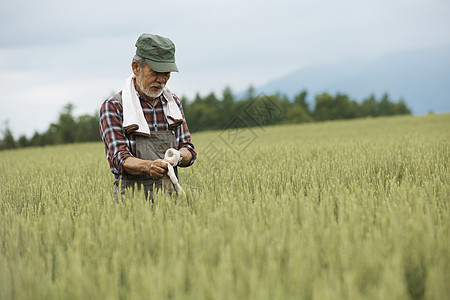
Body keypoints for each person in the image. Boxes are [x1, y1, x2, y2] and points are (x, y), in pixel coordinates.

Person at [99, 33, 196, 201]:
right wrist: (148, 166)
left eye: (166, 73)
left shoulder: (172, 104)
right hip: (131, 202)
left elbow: (189, 150)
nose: (161, 80)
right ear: (136, 68)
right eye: (155, 72)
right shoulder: (114, 106)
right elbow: (118, 158)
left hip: (169, 200)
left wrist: (179, 156)